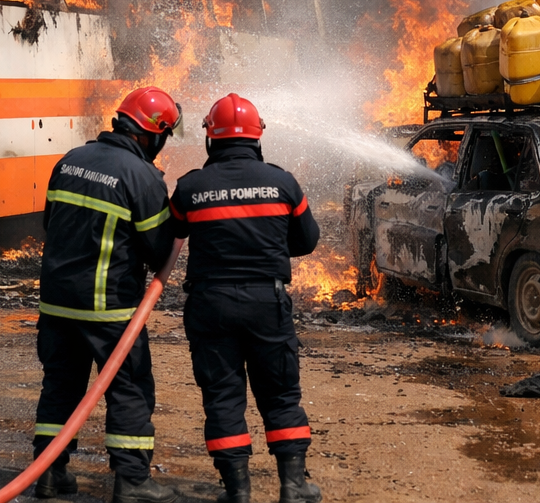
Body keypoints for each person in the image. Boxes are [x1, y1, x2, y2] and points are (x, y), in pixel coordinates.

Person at [171, 93, 323, 503]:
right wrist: (267, 248)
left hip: (210, 304)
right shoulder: (283, 182)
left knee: (222, 395)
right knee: (280, 393)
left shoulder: (190, 187)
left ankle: (237, 491)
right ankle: (293, 487)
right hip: (265, 304)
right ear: (258, 138)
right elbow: (307, 241)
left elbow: (171, 235)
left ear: (210, 138)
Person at [32, 87, 181, 503]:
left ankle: (49, 474)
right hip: (107, 307)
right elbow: (156, 249)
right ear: (152, 134)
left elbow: (50, 223)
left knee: (60, 385)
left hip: (56, 303)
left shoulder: (69, 161)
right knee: (129, 388)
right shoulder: (142, 176)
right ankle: (132, 480)